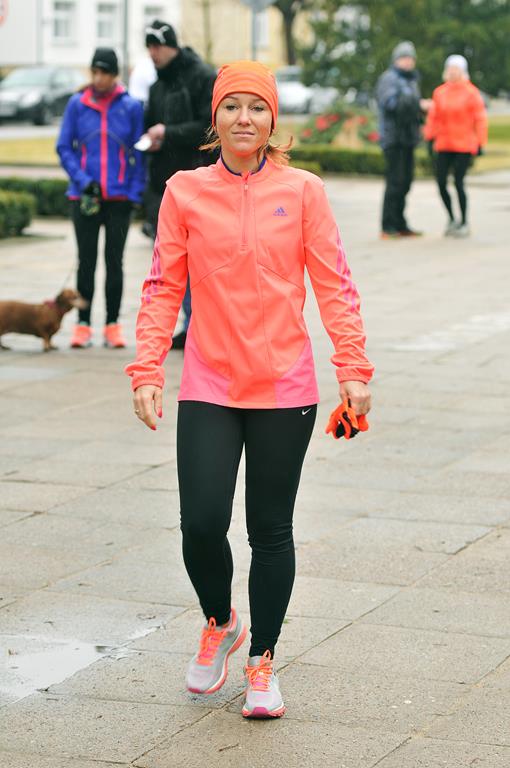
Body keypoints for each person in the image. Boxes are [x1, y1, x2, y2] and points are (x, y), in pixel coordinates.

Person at [125, 60, 373, 719]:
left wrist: (353, 367)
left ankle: (262, 661)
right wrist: (147, 368)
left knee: (270, 529)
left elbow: (335, 285)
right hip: (209, 381)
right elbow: (162, 288)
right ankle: (220, 621)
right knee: (202, 524)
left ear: (272, 119)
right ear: (215, 117)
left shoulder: (304, 191)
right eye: (231, 106)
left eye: (256, 107)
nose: (244, 118)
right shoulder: (184, 191)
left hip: (284, 386)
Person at [57, 48, 145, 348]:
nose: (98, 78)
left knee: (114, 262)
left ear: (114, 74)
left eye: (104, 73)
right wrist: (84, 182)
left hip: (119, 199)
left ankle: (112, 325)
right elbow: (64, 147)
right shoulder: (77, 104)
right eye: (94, 72)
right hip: (85, 198)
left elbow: (138, 154)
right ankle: (82, 325)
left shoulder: (131, 106)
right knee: (86, 261)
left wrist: (133, 192)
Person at [143, 19, 217, 349]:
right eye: (149, 47)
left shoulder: (202, 76)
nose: (152, 53)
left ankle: (205, 325)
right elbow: (151, 125)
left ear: (171, 46)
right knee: (172, 261)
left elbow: (209, 126)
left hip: (199, 179)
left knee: (204, 260)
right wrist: (152, 139)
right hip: (165, 183)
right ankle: (189, 324)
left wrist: (168, 132)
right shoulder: (156, 87)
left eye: (157, 46)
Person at [424, 55, 488, 238]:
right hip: (444, 143)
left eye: (456, 69)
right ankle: (451, 218)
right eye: (450, 68)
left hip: (463, 144)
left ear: (462, 71)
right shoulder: (440, 92)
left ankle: (464, 221)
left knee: (458, 182)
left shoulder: (471, 93)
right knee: (441, 182)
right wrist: (429, 137)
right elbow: (434, 117)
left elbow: (480, 119)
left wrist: (480, 142)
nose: (452, 72)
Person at [376, 41, 427, 238]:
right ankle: (387, 225)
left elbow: (411, 110)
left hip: (408, 138)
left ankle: (400, 223)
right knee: (395, 182)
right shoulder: (388, 79)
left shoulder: (412, 80)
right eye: (404, 58)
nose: (408, 62)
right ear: (396, 60)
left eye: (410, 58)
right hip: (393, 138)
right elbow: (390, 104)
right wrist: (417, 104)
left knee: (406, 182)